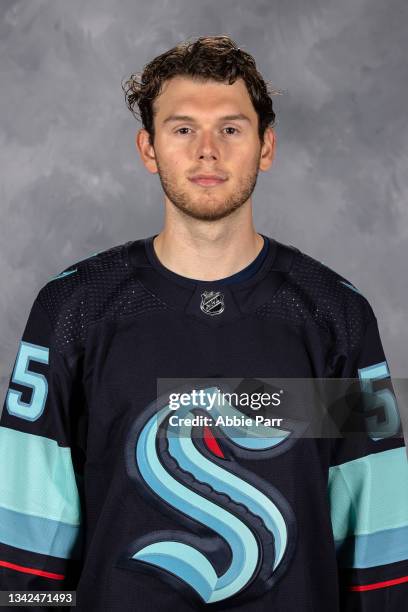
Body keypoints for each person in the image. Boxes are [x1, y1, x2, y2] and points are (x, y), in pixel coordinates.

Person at [1, 34, 407, 612]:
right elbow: (27, 552)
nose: (207, 151)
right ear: (149, 148)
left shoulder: (335, 315)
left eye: (232, 129)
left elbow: (378, 544)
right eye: (183, 128)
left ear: (266, 146)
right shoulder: (73, 310)